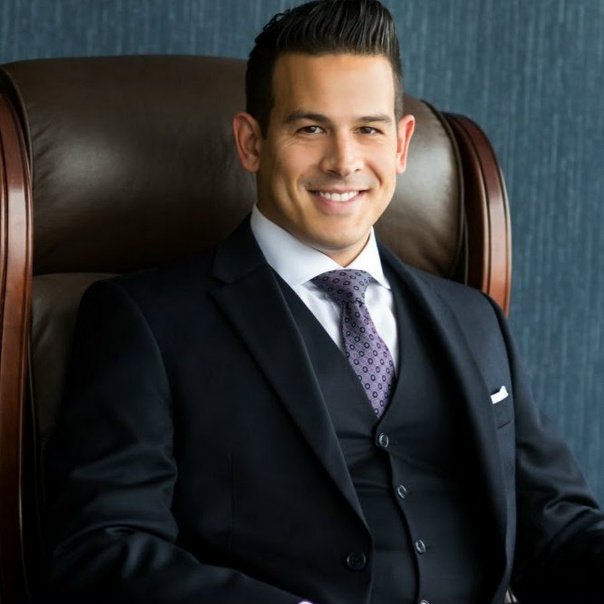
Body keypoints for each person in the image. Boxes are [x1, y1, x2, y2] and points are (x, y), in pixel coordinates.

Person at [45, 1, 604, 603]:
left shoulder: (474, 320)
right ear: (251, 142)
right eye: (310, 128)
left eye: (369, 129)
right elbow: (104, 548)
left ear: (402, 145)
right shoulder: (148, 321)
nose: (343, 161)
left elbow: (560, 530)